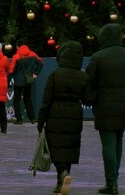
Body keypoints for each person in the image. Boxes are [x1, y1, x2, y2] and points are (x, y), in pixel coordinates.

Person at [84, 23, 125, 195]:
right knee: (118, 140)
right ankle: (113, 179)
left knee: (108, 144)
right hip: (124, 105)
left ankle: (111, 182)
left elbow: (89, 82)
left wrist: (92, 99)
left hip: (104, 106)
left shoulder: (97, 57)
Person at [37, 40, 88, 195]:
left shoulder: (55, 74)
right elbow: (87, 99)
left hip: (55, 113)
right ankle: (62, 180)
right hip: (74, 113)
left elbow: (46, 100)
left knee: (56, 147)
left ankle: (62, 173)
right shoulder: (82, 76)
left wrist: (41, 121)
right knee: (69, 147)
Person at [10, 39, 43, 124]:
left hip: (18, 81)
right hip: (28, 80)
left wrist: (8, 81)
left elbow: (11, 70)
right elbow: (40, 63)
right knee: (28, 98)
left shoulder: (16, 57)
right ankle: (32, 118)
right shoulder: (32, 54)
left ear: (17, 46)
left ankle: (19, 119)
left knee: (17, 100)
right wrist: (35, 73)